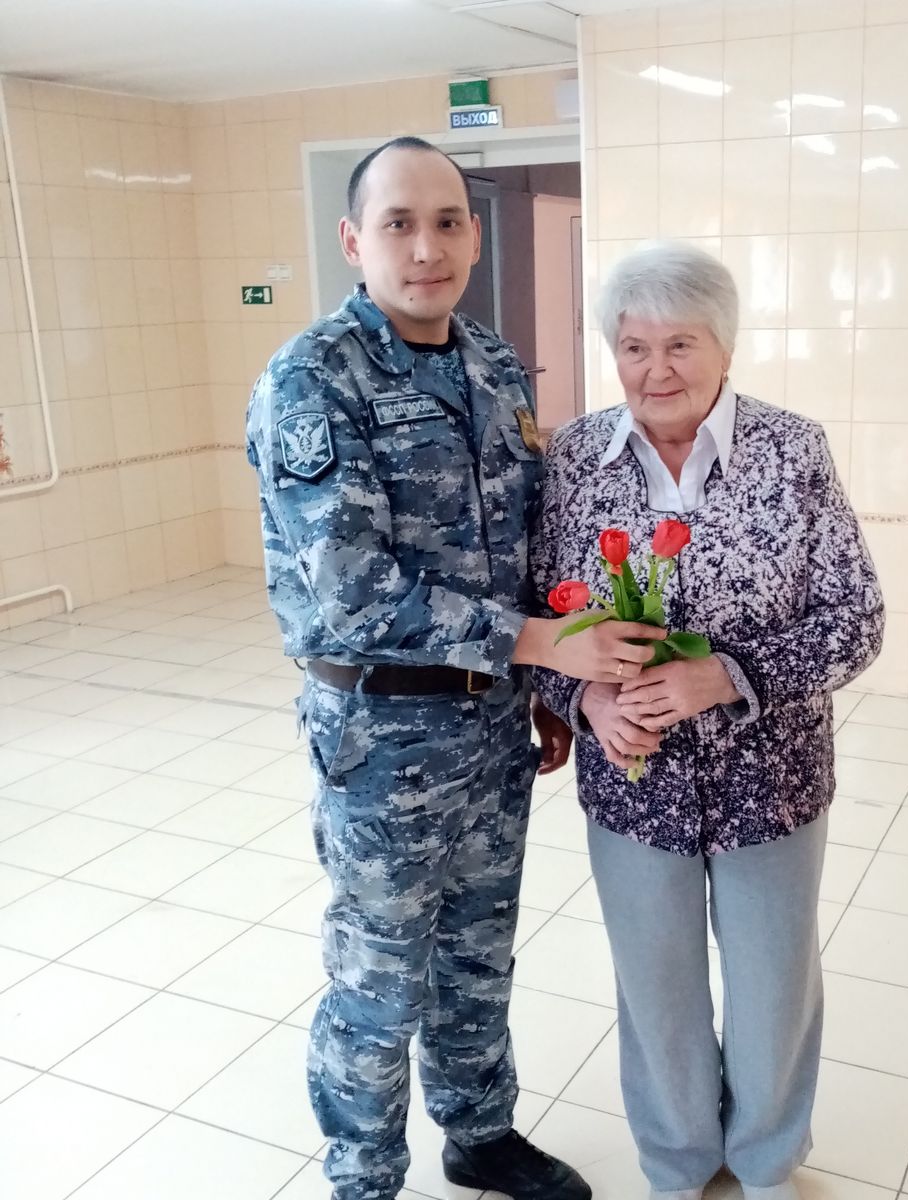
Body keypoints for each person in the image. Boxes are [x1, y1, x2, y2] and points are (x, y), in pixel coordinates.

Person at [246, 136, 664, 1200]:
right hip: (383, 739)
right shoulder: (313, 377)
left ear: (474, 236)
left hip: (492, 725)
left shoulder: (490, 362)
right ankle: (364, 1178)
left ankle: (479, 1133)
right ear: (355, 241)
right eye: (398, 224)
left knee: (478, 951)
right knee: (381, 976)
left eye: (446, 222)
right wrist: (540, 645)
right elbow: (351, 589)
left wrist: (549, 685)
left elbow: (524, 544)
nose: (426, 248)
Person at [532, 242, 885, 1200]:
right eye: (633, 346)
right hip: (632, 783)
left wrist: (727, 675)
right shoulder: (576, 459)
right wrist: (585, 698)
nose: (656, 370)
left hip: (772, 782)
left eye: (680, 344)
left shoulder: (792, 451)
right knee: (657, 983)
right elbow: (542, 618)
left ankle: (766, 1162)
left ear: (725, 348)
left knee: (773, 982)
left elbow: (856, 618)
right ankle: (679, 1162)